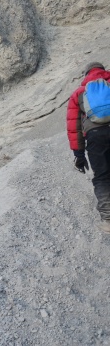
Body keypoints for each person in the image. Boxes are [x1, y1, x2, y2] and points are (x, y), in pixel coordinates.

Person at [67, 61, 110, 233]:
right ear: (103, 71)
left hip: (95, 137)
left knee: (102, 176)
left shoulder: (78, 93)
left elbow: (74, 127)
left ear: (86, 75)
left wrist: (79, 154)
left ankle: (108, 220)